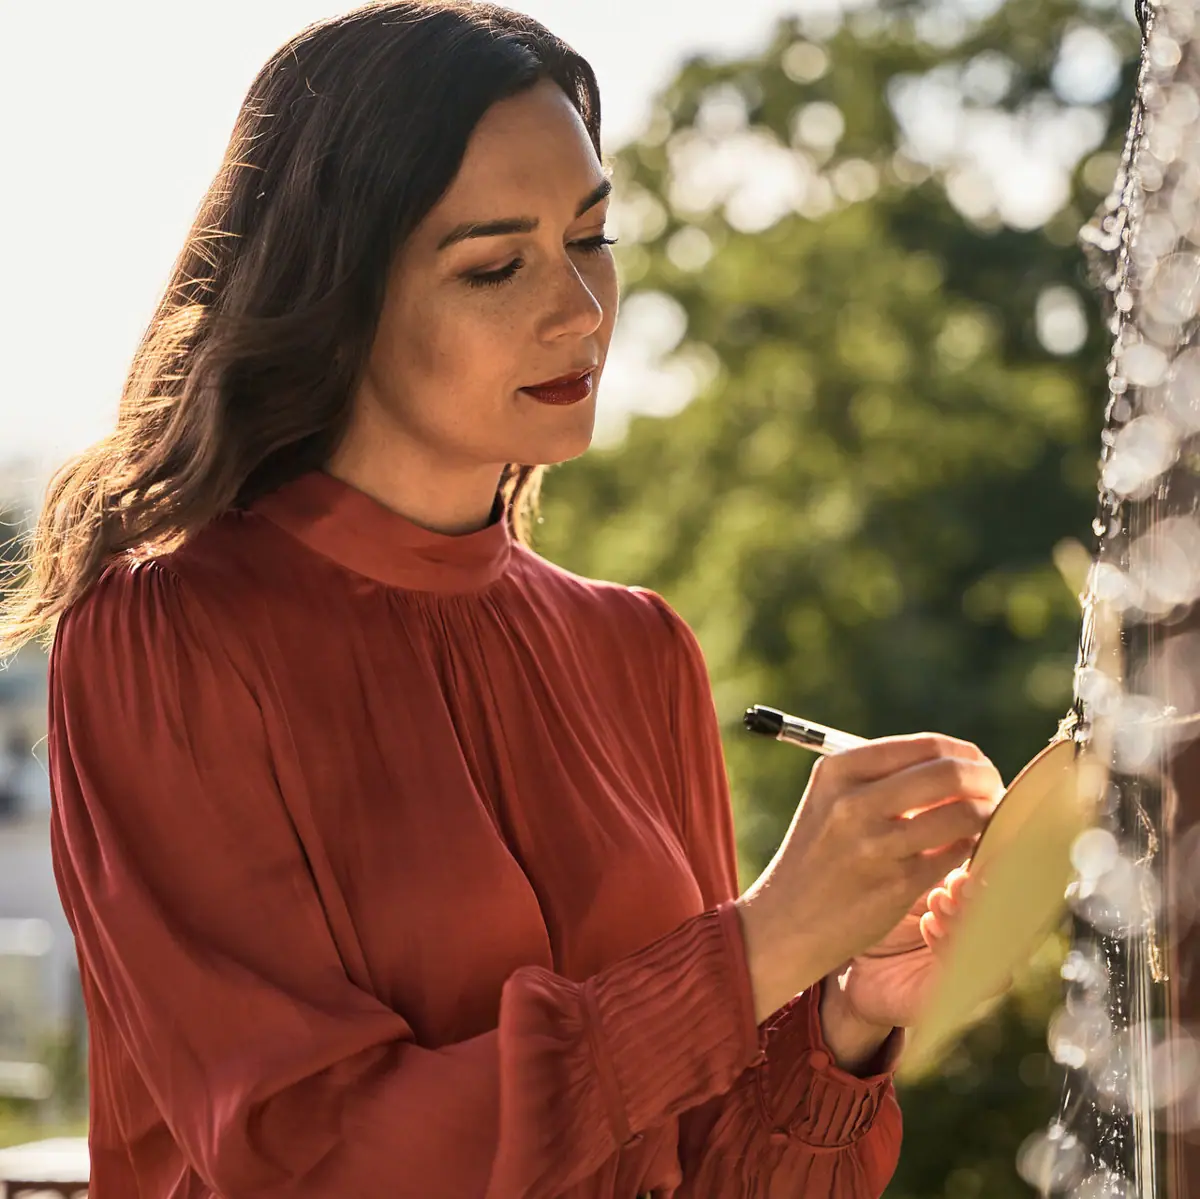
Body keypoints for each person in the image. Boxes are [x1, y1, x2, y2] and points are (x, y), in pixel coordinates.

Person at [0, 3, 1003, 1195]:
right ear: (342, 293)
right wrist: (763, 943)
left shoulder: (638, 647)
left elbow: (707, 1168)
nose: (581, 309)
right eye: (495, 264)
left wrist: (842, 1009)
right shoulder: (166, 642)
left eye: (592, 236)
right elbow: (319, 1161)